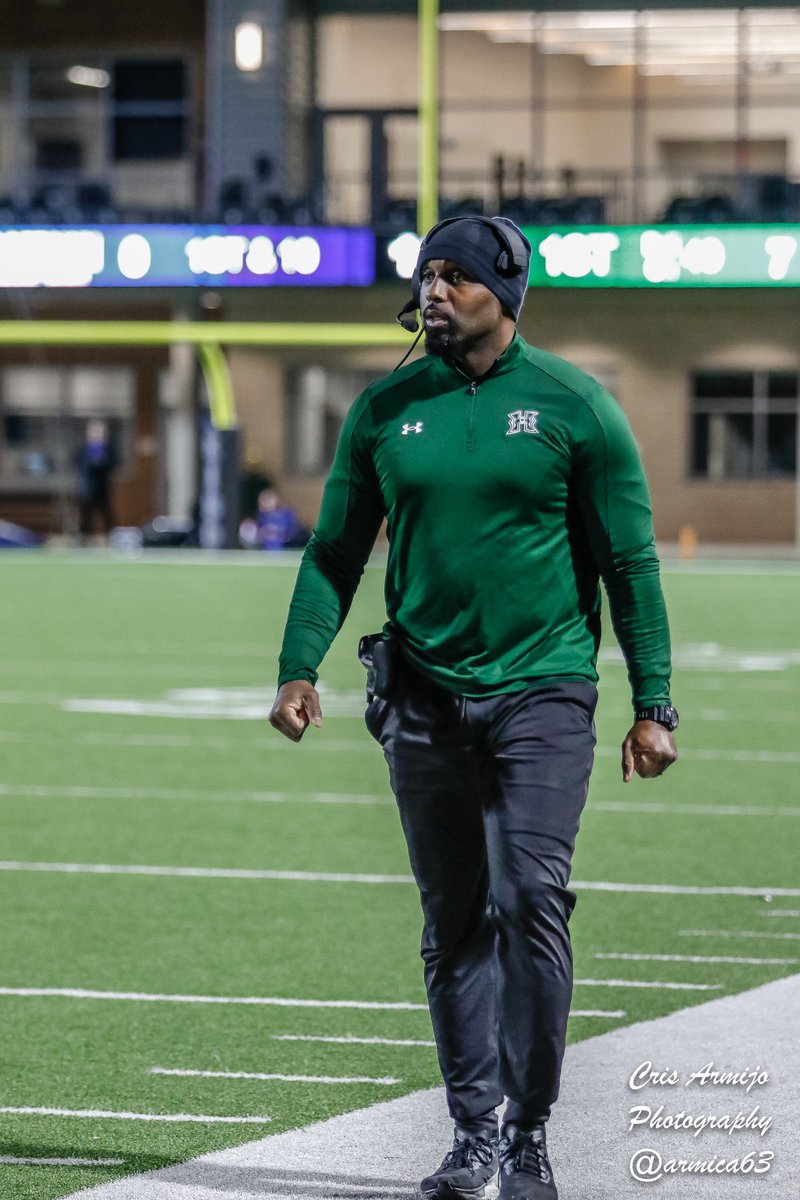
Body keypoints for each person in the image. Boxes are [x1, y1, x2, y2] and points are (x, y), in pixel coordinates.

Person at [269, 215, 678, 1200]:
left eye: (452, 274)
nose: (433, 290)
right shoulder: (384, 409)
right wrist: (296, 668)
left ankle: (530, 1135)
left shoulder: (576, 408)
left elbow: (628, 563)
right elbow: (333, 553)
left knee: (528, 900)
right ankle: (472, 1135)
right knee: (451, 920)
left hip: (541, 691)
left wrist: (653, 704)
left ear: (504, 288)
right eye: (426, 274)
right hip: (419, 697)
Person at [75, 419, 117, 540]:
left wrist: (100, 462)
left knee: (106, 514)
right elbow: (78, 464)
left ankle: (112, 537)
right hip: (86, 488)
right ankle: (83, 537)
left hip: (101, 488)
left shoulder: (108, 449)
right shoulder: (83, 449)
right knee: (85, 515)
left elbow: (111, 465)